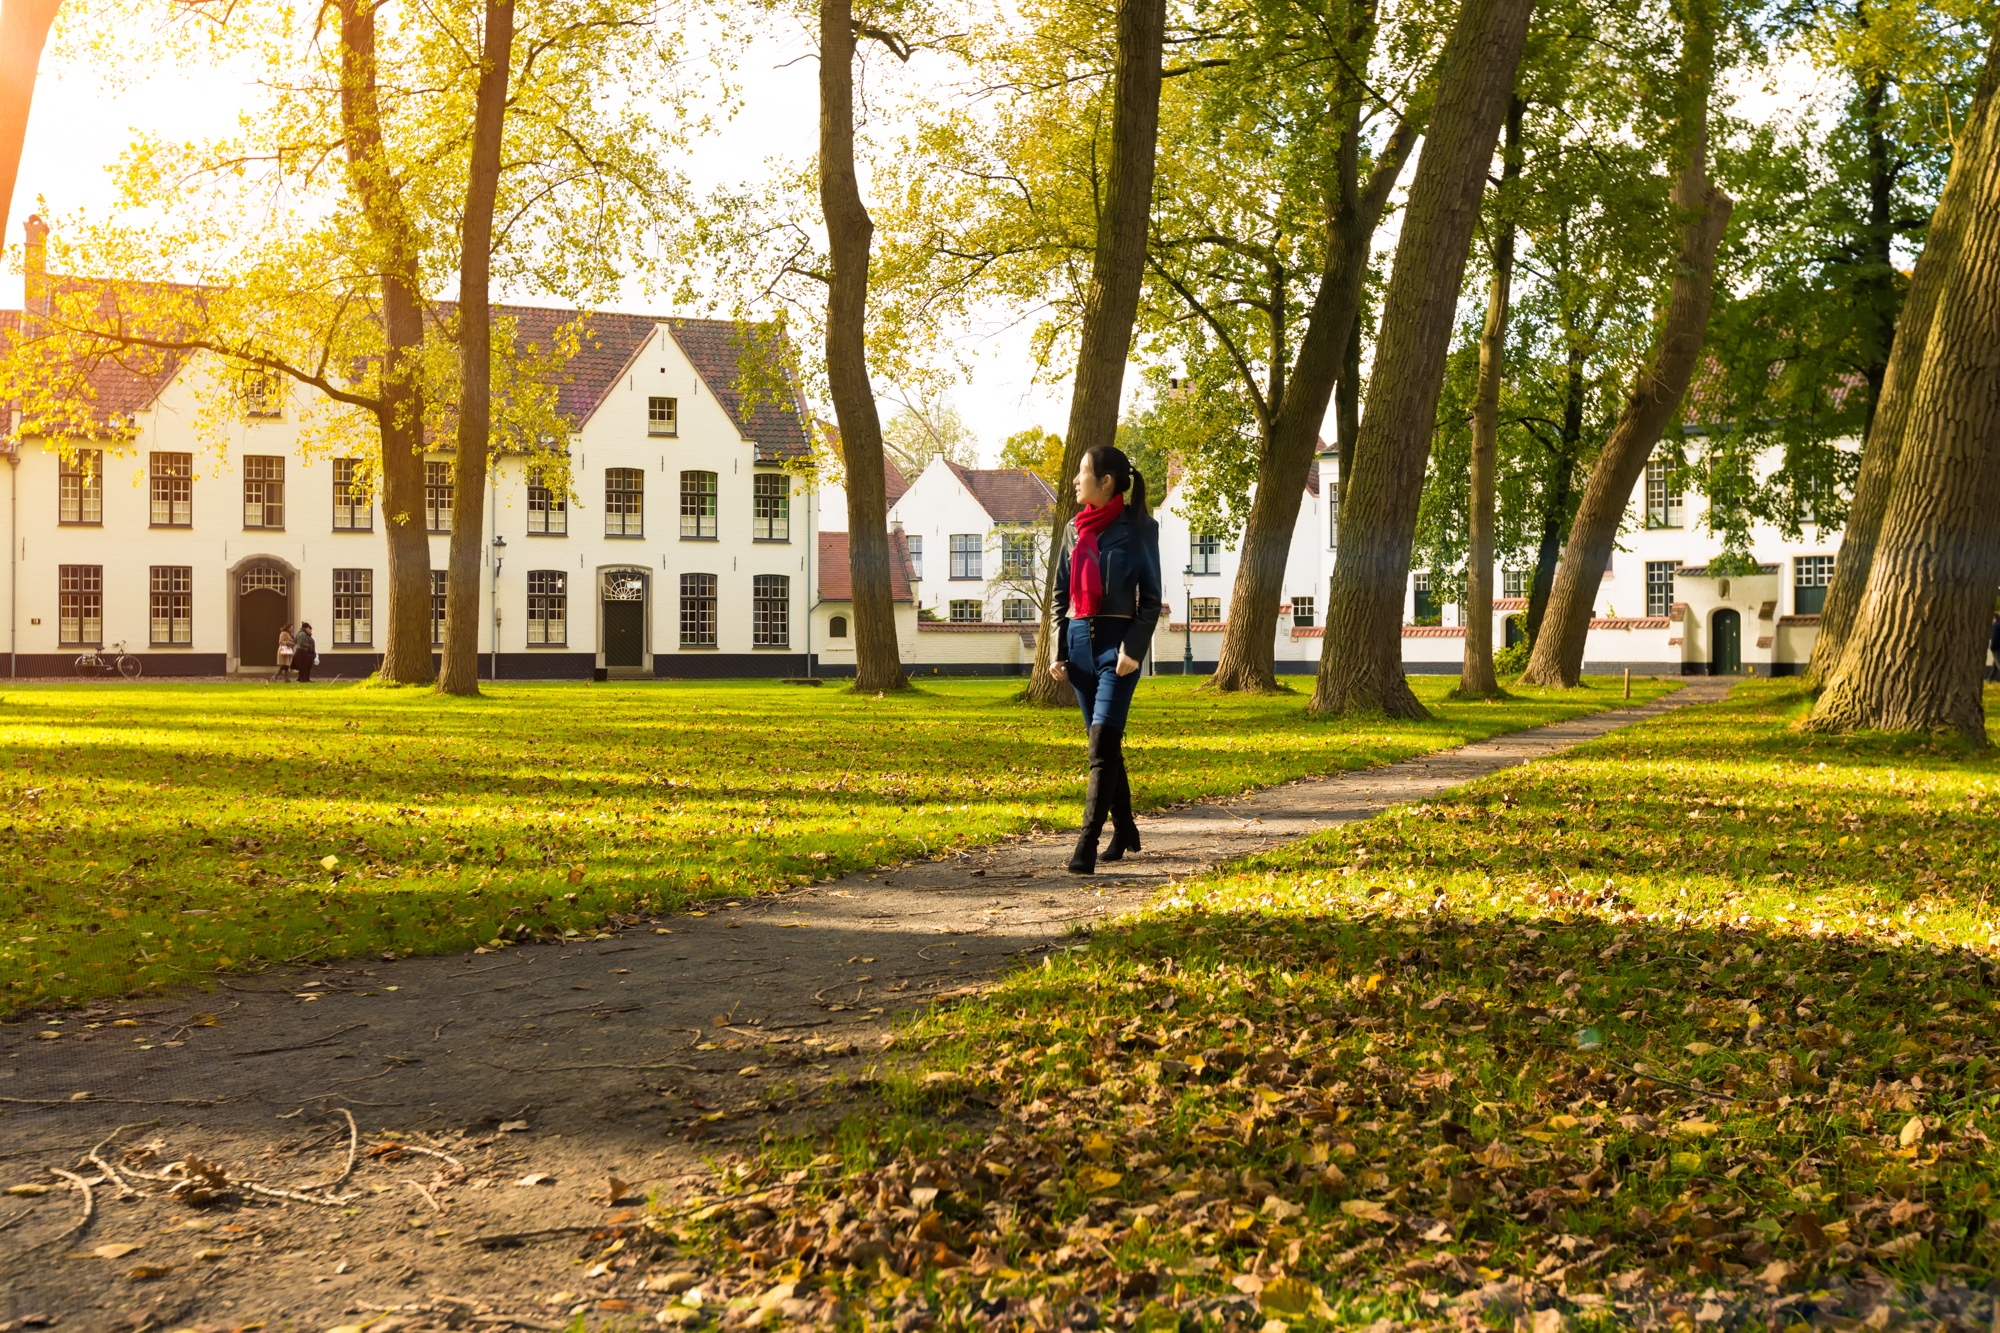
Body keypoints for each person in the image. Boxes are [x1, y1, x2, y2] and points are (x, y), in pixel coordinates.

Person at [1049, 444, 1162, 874]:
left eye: (1083, 472)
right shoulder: (1072, 531)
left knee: (1101, 747)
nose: (1076, 480)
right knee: (1106, 747)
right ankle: (1126, 827)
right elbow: (1061, 598)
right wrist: (1058, 652)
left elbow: (1151, 600)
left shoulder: (1139, 530)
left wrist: (1133, 650)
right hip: (1079, 648)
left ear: (1106, 481)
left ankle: (1086, 844)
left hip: (1118, 651)